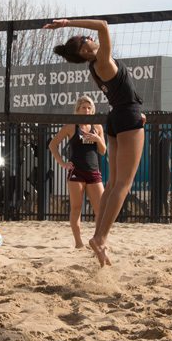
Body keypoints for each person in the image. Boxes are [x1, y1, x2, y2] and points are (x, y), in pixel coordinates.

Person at [46, 18, 145, 267]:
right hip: (126, 116)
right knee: (123, 183)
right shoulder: (102, 60)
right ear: (86, 48)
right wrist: (67, 23)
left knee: (112, 183)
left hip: (115, 118)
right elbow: (102, 25)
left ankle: (98, 237)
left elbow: (123, 93)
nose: (91, 38)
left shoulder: (95, 66)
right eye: (86, 39)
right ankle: (100, 238)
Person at [48, 96, 108, 248]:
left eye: (89, 108)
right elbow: (52, 145)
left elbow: (103, 151)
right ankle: (79, 243)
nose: (87, 110)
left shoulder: (97, 127)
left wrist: (97, 139)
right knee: (76, 207)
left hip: (93, 172)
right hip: (77, 172)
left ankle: (98, 240)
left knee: (101, 209)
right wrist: (62, 163)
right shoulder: (71, 126)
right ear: (77, 109)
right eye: (83, 107)